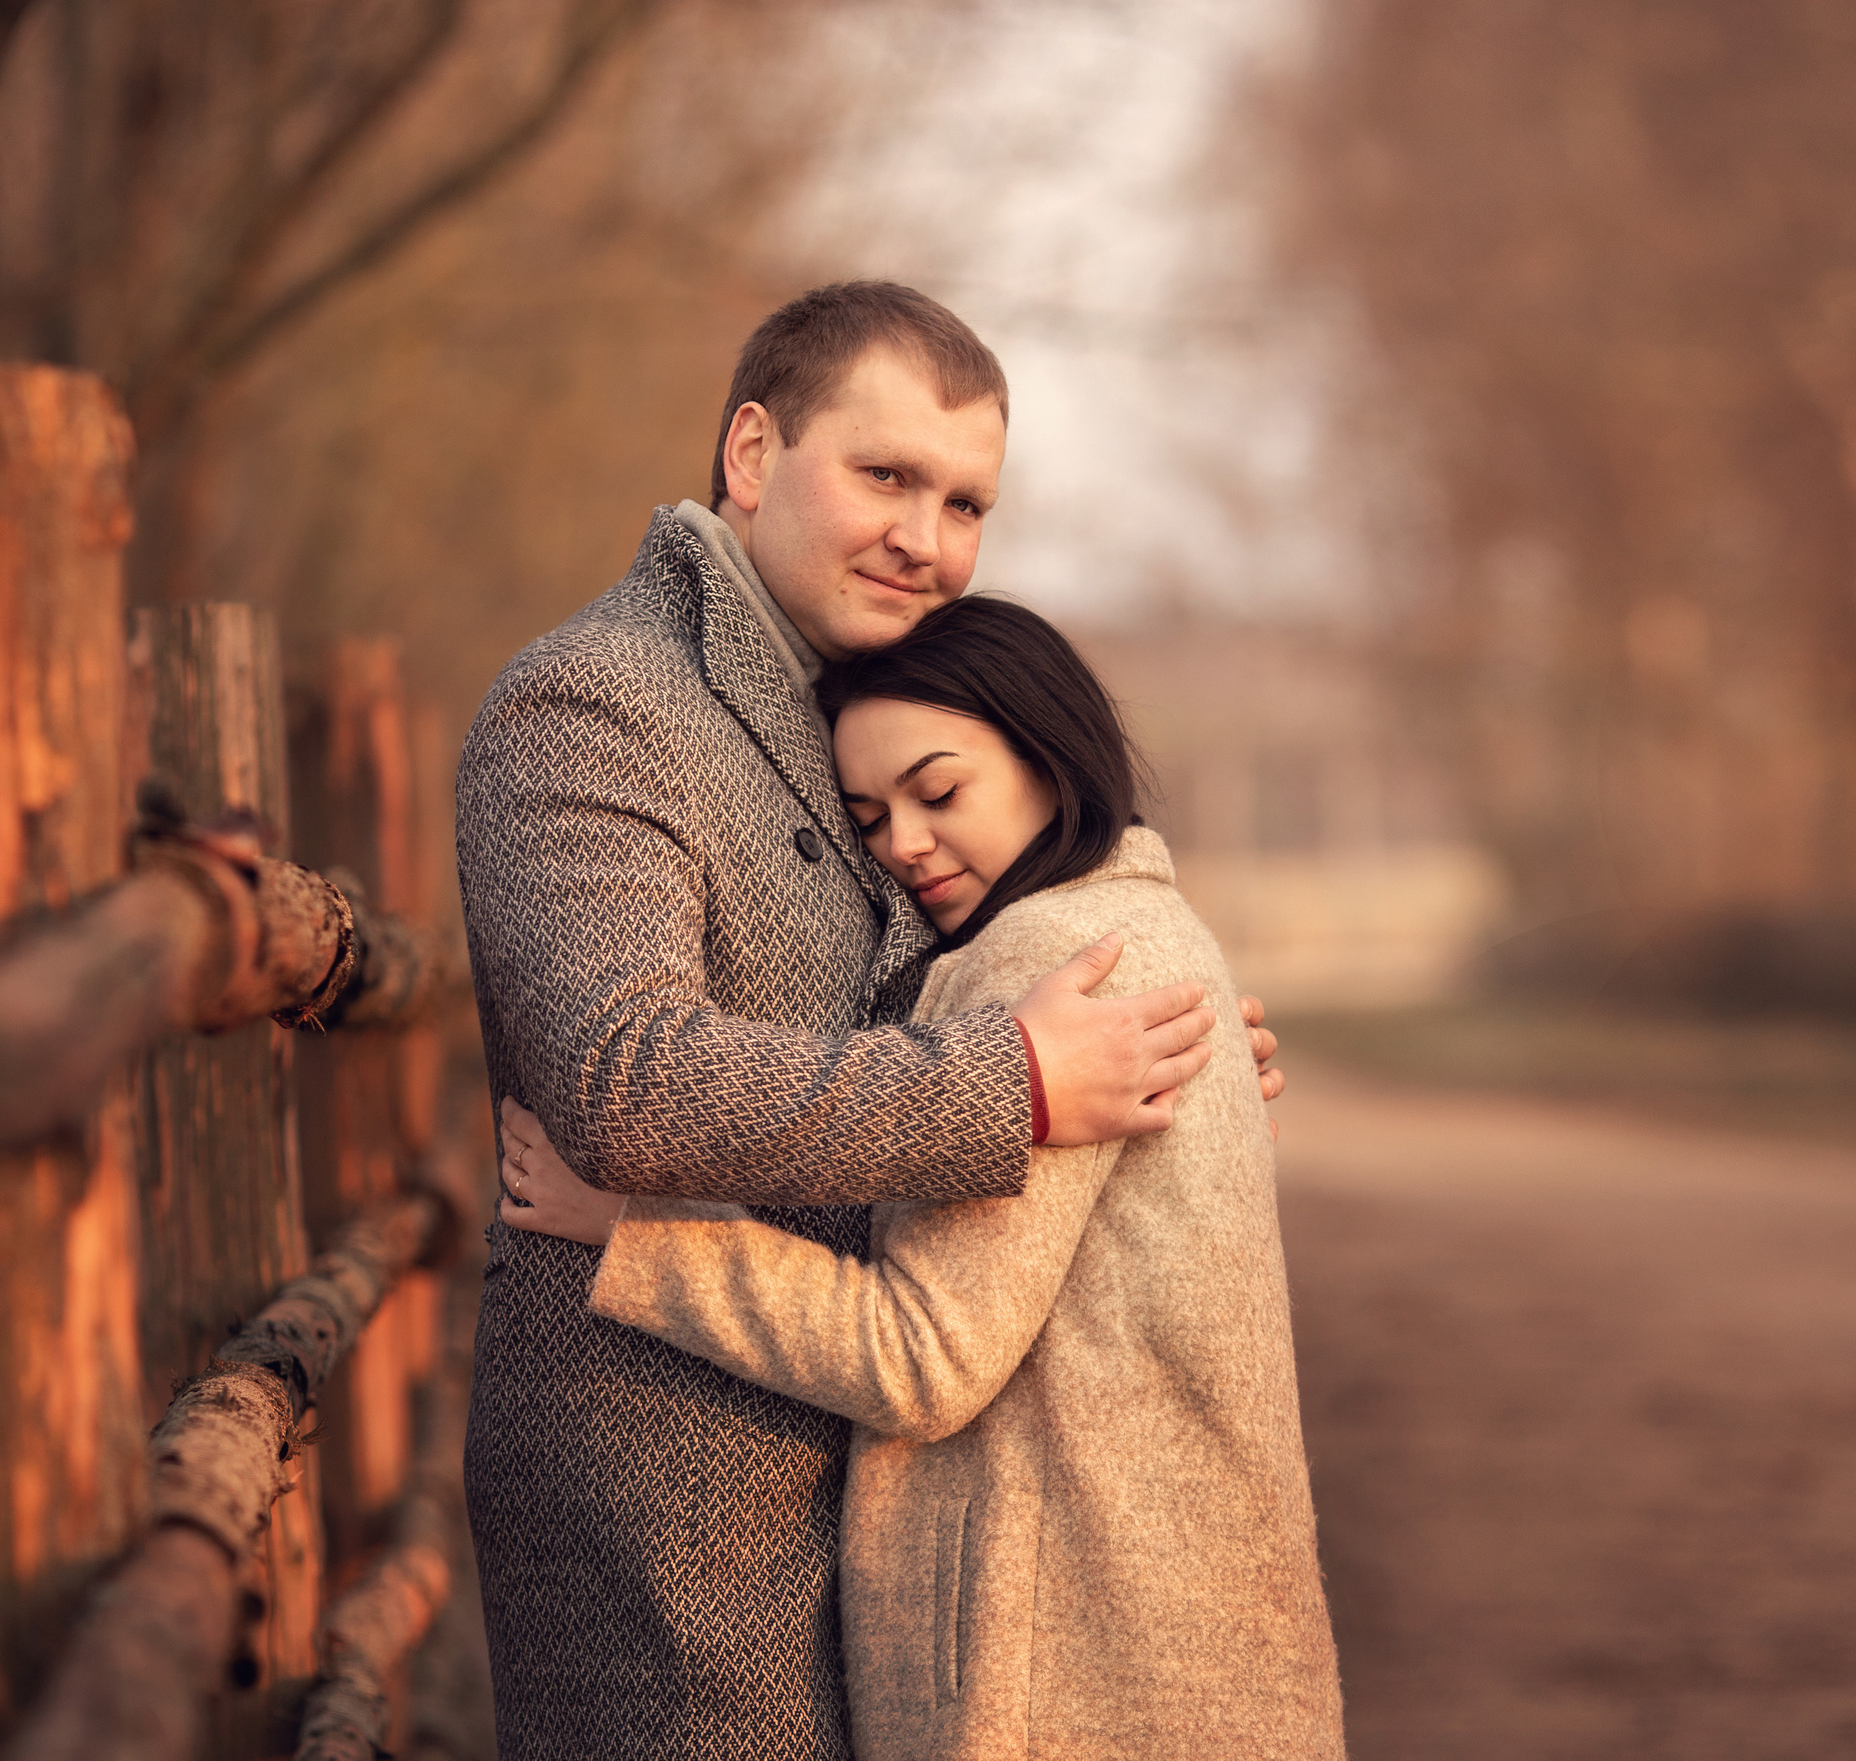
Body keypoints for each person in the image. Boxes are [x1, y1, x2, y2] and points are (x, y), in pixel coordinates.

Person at [455, 282, 1279, 1761]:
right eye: (886, 474)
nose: (929, 537)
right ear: (754, 455)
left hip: (886, 1526)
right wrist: (1018, 1079)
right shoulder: (592, 703)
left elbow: (969, 956)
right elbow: (618, 1079)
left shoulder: (857, 709)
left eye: (967, 502)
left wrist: (1159, 1049)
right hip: (683, 1528)